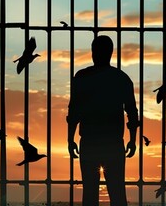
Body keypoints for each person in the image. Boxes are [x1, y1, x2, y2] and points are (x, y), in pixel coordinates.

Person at [67, 35, 140, 205]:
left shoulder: (82, 77)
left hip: (90, 143)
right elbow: (132, 112)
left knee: (89, 195)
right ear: (111, 53)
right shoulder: (121, 78)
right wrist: (132, 140)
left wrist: (70, 139)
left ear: (93, 53)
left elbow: (74, 112)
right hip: (113, 144)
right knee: (117, 194)